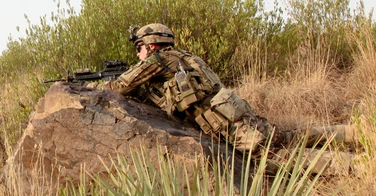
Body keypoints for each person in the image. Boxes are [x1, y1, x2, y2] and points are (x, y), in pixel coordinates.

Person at [89, 23, 292, 159]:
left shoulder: (159, 59)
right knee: (286, 137)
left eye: (139, 46)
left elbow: (119, 86)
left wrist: (88, 87)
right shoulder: (184, 57)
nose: (137, 53)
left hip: (224, 122)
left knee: (269, 158)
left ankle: (325, 165)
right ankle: (324, 135)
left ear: (152, 45)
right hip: (237, 112)